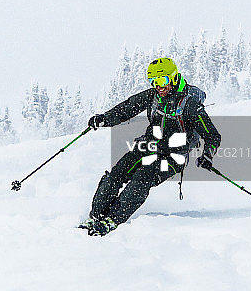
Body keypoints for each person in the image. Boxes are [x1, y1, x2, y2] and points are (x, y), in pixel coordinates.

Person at [79, 57, 221, 237]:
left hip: (173, 156)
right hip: (148, 145)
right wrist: (104, 119)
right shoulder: (152, 96)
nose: (159, 86)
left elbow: (212, 136)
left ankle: (112, 220)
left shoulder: (189, 105)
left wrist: (207, 154)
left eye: (162, 81)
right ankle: (96, 215)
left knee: (142, 177)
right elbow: (126, 109)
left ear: (174, 77)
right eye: (154, 82)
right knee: (117, 173)